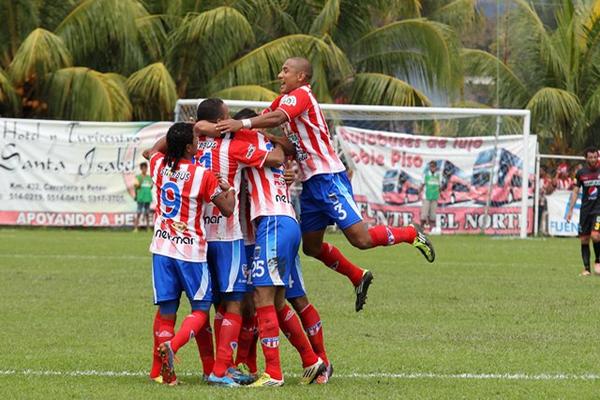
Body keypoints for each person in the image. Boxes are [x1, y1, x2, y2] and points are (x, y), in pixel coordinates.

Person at [214, 57, 435, 312]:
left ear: (301, 77)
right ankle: (357, 276)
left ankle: (410, 233)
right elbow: (270, 128)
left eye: (285, 70)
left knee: (361, 240)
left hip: (328, 178)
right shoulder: (283, 100)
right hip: (310, 184)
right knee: (311, 246)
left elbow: (274, 119)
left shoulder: (302, 96)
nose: (279, 75)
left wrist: (241, 124)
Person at [234, 108, 333, 385]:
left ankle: (274, 373)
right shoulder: (270, 143)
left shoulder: (248, 145)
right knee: (278, 301)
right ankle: (312, 362)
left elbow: (280, 154)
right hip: (285, 222)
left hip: (273, 224)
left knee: (261, 300)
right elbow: (286, 148)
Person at [194, 99, 286, 387]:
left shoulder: (194, 143)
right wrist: (279, 146)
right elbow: (275, 160)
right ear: (222, 119)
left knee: (210, 304)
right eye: (227, 115)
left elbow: (188, 129)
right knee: (235, 302)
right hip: (228, 233)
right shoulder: (232, 145)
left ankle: (217, 366)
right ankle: (221, 370)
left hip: (199, 235)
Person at [143, 122, 235, 385]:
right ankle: (173, 345)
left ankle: (159, 373)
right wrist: (229, 188)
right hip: (190, 252)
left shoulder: (159, 165)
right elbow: (227, 209)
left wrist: (173, 138)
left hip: (161, 249)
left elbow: (152, 150)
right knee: (201, 309)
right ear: (188, 147)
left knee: (166, 312)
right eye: (195, 140)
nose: (199, 143)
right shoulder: (201, 174)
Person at [566, 147, 600, 276]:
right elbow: (575, 191)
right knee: (584, 239)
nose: (593, 159)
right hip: (585, 210)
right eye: (590, 157)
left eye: (595, 157)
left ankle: (598, 261)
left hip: (598, 210)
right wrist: (570, 210)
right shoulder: (581, 173)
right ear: (586, 158)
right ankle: (586, 269)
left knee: (596, 235)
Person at [420, 161, 440, 233]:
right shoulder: (426, 175)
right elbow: (422, 185)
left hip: (434, 197)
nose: (432, 168)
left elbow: (439, 186)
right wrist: (419, 194)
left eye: (434, 166)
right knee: (424, 215)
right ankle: (421, 230)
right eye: (431, 166)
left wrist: (440, 194)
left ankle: (432, 230)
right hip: (426, 197)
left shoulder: (438, 175)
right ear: (429, 167)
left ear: (436, 167)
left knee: (433, 215)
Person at [133, 162, 153, 231]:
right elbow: (136, 186)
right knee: (139, 212)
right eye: (143, 168)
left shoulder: (149, 177)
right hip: (141, 197)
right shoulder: (138, 177)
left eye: (146, 168)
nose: (144, 169)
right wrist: (136, 195)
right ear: (141, 169)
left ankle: (148, 227)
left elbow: (151, 186)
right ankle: (136, 227)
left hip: (147, 197)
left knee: (147, 213)